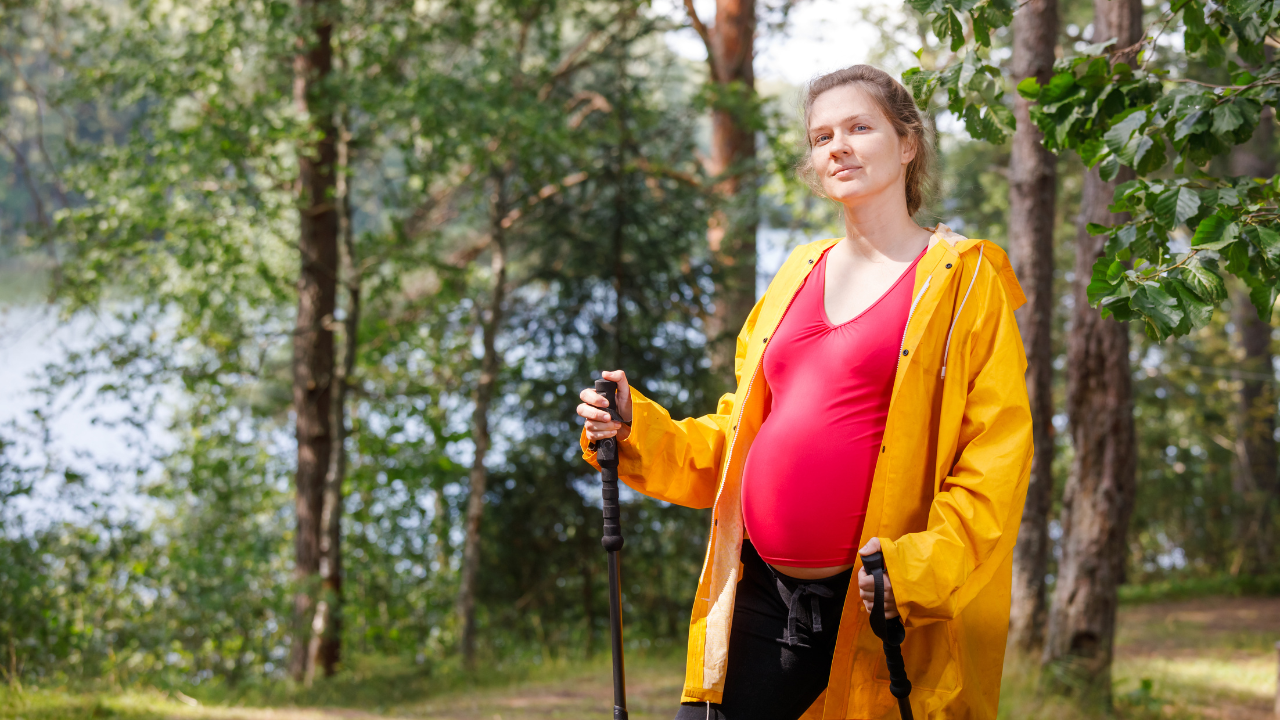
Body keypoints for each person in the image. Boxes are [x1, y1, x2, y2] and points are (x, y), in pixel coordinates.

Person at [575, 65, 1033, 720]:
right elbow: (738, 438)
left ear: (908, 143)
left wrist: (912, 573)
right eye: (821, 137)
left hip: (875, 608)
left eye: (858, 127)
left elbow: (996, 467)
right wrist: (636, 428)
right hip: (760, 592)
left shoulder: (963, 281)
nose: (837, 146)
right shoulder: (798, 270)